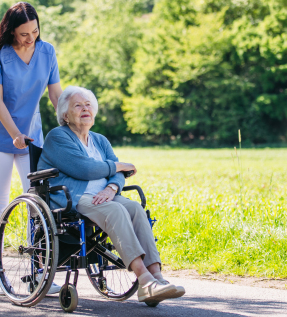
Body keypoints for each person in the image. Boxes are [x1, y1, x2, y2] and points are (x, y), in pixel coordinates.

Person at [38, 86, 186, 305]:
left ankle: (157, 278)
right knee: (115, 210)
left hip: (103, 195)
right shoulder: (58, 137)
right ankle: (144, 280)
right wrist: (118, 166)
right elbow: (84, 169)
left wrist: (112, 188)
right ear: (65, 115)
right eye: (77, 105)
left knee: (135, 208)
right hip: (74, 197)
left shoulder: (100, 140)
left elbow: (118, 175)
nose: (85, 109)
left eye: (88, 104)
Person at [0, 2, 63, 295]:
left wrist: (71, 123)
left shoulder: (47, 52)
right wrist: (14, 134)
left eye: (35, 31)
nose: (30, 38)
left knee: (38, 205)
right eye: (24, 34)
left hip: (31, 138)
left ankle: (39, 274)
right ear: (11, 31)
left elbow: (56, 94)